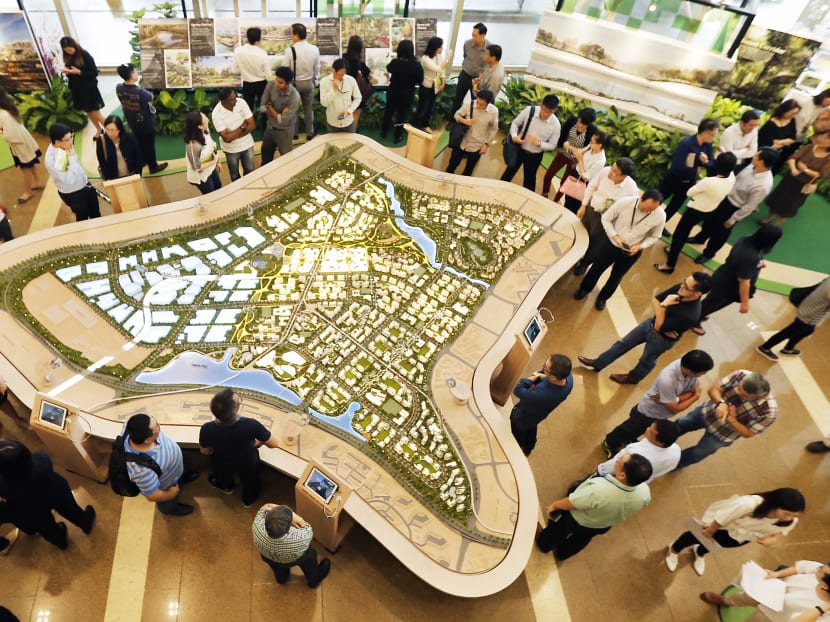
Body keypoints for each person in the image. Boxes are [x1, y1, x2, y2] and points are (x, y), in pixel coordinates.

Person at [578, 272, 711, 384]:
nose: (681, 287)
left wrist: (664, 305)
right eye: (684, 282)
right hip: (650, 324)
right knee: (623, 343)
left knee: (646, 360)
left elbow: (659, 325)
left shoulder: (690, 315)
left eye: (687, 287)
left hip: (661, 340)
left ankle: (632, 378)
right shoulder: (680, 289)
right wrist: (661, 311)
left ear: (698, 293)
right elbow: (655, 300)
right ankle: (599, 363)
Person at [535, 453, 652, 561]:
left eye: (620, 461)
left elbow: (573, 503)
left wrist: (555, 505)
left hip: (574, 519)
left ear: (622, 475)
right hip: (601, 525)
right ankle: (562, 554)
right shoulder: (645, 492)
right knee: (580, 540)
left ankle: (544, 544)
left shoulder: (599, 490)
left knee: (556, 532)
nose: (618, 459)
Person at [665, 488, 804, 576]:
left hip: (743, 537)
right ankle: (674, 549)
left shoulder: (790, 519)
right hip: (725, 527)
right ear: (775, 504)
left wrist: (773, 539)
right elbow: (724, 516)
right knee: (694, 537)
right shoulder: (748, 504)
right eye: (787, 513)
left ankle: (699, 552)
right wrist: (710, 530)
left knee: (718, 545)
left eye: (794, 515)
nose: (790, 518)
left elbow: (782, 531)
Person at [601, 350, 714, 457]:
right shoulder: (668, 380)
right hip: (647, 413)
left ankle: (629, 439)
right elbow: (675, 408)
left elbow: (692, 390)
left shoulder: (687, 369)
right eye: (702, 372)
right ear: (690, 370)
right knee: (627, 429)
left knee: (642, 431)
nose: (703, 374)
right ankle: (609, 443)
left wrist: (675, 398)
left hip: (660, 414)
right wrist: (695, 397)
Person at [573, 189, 666, 311]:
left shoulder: (660, 216)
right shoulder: (625, 203)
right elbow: (606, 218)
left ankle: (603, 298)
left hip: (632, 251)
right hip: (611, 244)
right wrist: (614, 236)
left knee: (617, 276)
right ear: (641, 198)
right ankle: (584, 289)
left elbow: (655, 236)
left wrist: (641, 246)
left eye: (652, 210)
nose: (648, 211)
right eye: (647, 207)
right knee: (597, 268)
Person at [0, 440, 95, 552]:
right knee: (71, 509)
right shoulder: (42, 462)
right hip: (54, 488)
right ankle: (85, 523)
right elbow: (45, 456)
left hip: (28, 505)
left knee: (46, 527)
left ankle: (61, 541)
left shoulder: (3, 487)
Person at [690, 148, 778, 264]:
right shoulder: (752, 167)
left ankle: (708, 253)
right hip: (725, 198)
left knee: (720, 233)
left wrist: (733, 219)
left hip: (734, 208)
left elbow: (749, 206)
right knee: (709, 220)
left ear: (762, 161)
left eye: (757, 155)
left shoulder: (763, 185)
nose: (754, 156)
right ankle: (700, 238)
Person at [674, 370, 777, 467]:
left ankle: (675, 464)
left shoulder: (768, 412)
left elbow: (748, 433)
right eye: (739, 388)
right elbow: (713, 389)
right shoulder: (740, 375)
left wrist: (732, 420)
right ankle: (663, 441)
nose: (739, 392)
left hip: (723, 434)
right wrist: (720, 403)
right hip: (707, 412)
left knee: (698, 452)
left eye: (744, 395)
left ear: (757, 397)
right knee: (682, 424)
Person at [693, 224, 783, 335]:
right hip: (729, 286)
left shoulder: (746, 239)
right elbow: (744, 281)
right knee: (713, 303)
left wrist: (759, 263)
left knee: (712, 301)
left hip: (723, 275)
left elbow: (741, 260)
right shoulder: (751, 257)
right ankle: (694, 320)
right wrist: (745, 304)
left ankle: (700, 314)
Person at [654, 152, 736, 274]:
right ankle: (672, 250)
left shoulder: (709, 182)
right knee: (684, 233)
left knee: (679, 236)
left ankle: (669, 265)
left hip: (695, 210)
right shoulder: (732, 177)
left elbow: (690, 192)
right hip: (710, 209)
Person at [199, 388, 279, 507]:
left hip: (221, 461)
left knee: (222, 476)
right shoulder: (251, 425)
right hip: (247, 461)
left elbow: (204, 451)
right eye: (239, 401)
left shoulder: (206, 429)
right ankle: (248, 500)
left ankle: (226, 487)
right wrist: (258, 443)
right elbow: (274, 444)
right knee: (250, 481)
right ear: (235, 412)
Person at [700, 560, 830, 622]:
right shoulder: (818, 569)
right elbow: (800, 568)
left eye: (821, 570)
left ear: (825, 586)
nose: (819, 568)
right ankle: (725, 601)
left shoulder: (825, 612)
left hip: (772, 616)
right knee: (745, 597)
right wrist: (777, 574)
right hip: (771, 590)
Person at [572, 158, 639, 275]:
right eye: (612, 167)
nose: (610, 171)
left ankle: (584, 263)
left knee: (595, 243)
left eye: (614, 171)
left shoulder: (631, 189)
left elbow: (630, 210)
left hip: (606, 220)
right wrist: (584, 205)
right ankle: (572, 256)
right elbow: (591, 187)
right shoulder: (604, 171)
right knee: (579, 233)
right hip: (591, 210)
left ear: (623, 176)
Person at [123, 413, 199, 515]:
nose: (159, 428)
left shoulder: (134, 427)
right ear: (148, 440)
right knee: (167, 505)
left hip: (173, 472)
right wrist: (171, 493)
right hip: (166, 486)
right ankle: (172, 510)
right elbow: (152, 496)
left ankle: (181, 478)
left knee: (179, 479)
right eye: (157, 428)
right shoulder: (141, 471)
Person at [252, 503, 331, 587]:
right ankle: (313, 581)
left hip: (268, 556)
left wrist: (282, 515)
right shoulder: (301, 537)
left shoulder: (257, 523)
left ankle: (281, 578)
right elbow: (307, 528)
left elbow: (267, 506)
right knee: (311, 555)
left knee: (277, 568)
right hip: (294, 559)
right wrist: (297, 518)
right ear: (288, 530)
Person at [761, 130, 830, 226]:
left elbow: (821, 174)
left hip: (803, 185)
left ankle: (777, 224)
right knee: (779, 197)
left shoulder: (828, 158)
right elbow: (793, 158)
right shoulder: (809, 147)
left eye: (825, 138)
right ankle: (769, 217)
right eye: (822, 136)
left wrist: (805, 169)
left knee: (791, 205)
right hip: (791, 178)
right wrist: (793, 169)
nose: (821, 138)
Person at [509, 354, 574, 456]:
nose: (543, 369)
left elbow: (518, 389)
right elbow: (544, 375)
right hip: (538, 415)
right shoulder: (569, 379)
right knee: (531, 427)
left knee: (518, 434)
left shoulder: (541, 394)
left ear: (553, 377)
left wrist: (534, 376)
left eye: (545, 368)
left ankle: (518, 449)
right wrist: (544, 375)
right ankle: (528, 448)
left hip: (521, 416)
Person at [659, 118, 719, 226]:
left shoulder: (708, 145)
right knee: (658, 199)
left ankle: (660, 225)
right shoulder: (687, 143)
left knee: (675, 206)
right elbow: (678, 166)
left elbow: (711, 165)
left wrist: (705, 162)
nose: (713, 138)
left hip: (688, 181)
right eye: (712, 135)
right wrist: (695, 170)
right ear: (705, 132)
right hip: (674, 178)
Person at [499, 94, 561, 192]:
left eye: (549, 112)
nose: (545, 114)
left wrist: (539, 143)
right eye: (544, 110)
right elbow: (515, 123)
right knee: (508, 173)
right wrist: (514, 136)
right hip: (519, 149)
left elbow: (553, 145)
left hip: (534, 156)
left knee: (529, 180)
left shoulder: (556, 125)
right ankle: (498, 190)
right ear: (541, 105)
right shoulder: (530, 110)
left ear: (554, 110)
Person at [758, 276, 830, 360]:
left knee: (808, 331)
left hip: (808, 308)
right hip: (809, 314)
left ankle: (788, 348)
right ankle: (765, 347)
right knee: (789, 332)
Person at [115, 63, 168, 175]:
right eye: (135, 71)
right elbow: (151, 97)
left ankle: (142, 161)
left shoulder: (119, 88)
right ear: (131, 74)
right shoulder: (140, 92)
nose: (137, 73)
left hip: (132, 122)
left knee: (139, 142)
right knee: (149, 144)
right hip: (145, 124)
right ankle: (153, 166)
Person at [44, 122, 101, 221]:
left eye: (72, 136)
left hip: (84, 184)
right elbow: (69, 180)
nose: (72, 141)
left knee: (95, 212)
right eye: (68, 139)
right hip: (74, 193)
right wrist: (72, 158)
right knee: (83, 218)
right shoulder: (57, 158)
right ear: (57, 142)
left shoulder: (63, 145)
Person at [596, 420, 681, 482]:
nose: (647, 429)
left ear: (660, 443)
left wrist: (601, 470)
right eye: (649, 427)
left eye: (651, 432)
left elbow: (613, 465)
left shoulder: (635, 452)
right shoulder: (677, 451)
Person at [542, 107, 598, 198]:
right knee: (548, 175)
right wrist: (560, 147)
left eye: (583, 124)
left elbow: (588, 148)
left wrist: (576, 154)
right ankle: (545, 193)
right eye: (579, 121)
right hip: (563, 153)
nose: (580, 125)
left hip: (575, 161)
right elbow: (563, 133)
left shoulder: (593, 130)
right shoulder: (572, 121)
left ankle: (555, 201)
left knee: (564, 183)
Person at [0, 86, 42, 203]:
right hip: (23, 141)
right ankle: (38, 181)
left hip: (20, 144)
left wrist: (2, 131)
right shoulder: (8, 107)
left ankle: (28, 192)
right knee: (30, 163)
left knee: (26, 168)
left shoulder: (3, 114)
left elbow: (9, 135)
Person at [445, 89, 498, 177]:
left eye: (481, 104)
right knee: (452, 165)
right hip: (462, 141)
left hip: (477, 145)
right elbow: (456, 115)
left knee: (469, 170)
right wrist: (464, 121)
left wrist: (486, 144)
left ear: (488, 103)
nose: (478, 105)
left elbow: (494, 129)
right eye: (477, 102)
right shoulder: (469, 105)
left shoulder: (494, 111)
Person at [59, 36, 105, 136]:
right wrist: (68, 72)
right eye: (66, 51)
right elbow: (72, 73)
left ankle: (111, 130)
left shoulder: (84, 54)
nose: (69, 52)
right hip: (78, 90)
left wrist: (79, 72)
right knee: (88, 112)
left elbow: (94, 73)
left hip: (89, 88)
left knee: (95, 113)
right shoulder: (68, 57)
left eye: (70, 49)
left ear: (74, 46)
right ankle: (98, 129)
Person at [381, 40, 423, 143]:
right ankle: (397, 136)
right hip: (407, 94)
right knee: (401, 115)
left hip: (393, 92)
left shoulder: (395, 62)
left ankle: (383, 132)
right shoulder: (417, 65)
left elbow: (388, 68)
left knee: (388, 112)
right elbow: (420, 80)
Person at [557, 131, 609, 213]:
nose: (590, 142)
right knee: (567, 199)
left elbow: (587, 177)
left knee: (573, 206)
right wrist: (570, 147)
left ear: (599, 145)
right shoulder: (590, 147)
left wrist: (580, 160)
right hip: (575, 174)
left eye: (592, 142)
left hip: (582, 182)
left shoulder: (600, 160)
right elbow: (580, 151)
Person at [283, 23, 320, 140]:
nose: (291, 36)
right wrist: (315, 81)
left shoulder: (290, 50)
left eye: (292, 33)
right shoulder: (314, 49)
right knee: (308, 109)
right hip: (309, 83)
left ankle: (295, 134)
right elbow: (317, 68)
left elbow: (285, 69)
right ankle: (310, 133)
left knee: (294, 109)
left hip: (294, 84)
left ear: (296, 35)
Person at [211, 88, 255, 181]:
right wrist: (243, 127)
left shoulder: (241, 102)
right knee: (234, 175)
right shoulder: (216, 114)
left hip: (247, 145)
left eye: (236, 97)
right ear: (224, 101)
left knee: (250, 170)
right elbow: (226, 138)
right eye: (232, 99)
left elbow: (252, 125)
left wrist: (232, 135)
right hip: (231, 150)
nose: (236, 100)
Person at [260, 66, 300, 164]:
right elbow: (262, 107)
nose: (276, 84)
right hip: (270, 128)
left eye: (280, 82)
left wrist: (270, 107)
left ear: (288, 83)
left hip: (284, 132)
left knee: (286, 160)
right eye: (276, 80)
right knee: (265, 156)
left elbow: (282, 121)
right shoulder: (270, 85)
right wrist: (277, 114)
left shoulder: (294, 97)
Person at [450, 23, 489, 116]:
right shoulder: (467, 44)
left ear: (483, 35)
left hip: (477, 80)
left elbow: (488, 66)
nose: (473, 38)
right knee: (457, 99)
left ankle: (470, 121)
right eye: (472, 35)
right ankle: (453, 119)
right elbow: (465, 56)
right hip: (465, 75)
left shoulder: (489, 49)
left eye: (475, 35)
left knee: (475, 102)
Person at [413, 36, 447, 131]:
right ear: (435, 47)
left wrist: (443, 81)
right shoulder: (425, 58)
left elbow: (442, 70)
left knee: (430, 107)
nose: (442, 49)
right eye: (440, 46)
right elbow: (438, 68)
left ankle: (425, 124)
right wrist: (448, 59)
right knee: (423, 107)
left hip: (435, 86)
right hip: (426, 86)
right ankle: (416, 125)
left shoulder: (439, 56)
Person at [233, 27, 270, 115]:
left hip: (247, 84)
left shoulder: (238, 51)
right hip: (261, 84)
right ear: (259, 39)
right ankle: (264, 127)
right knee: (263, 107)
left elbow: (234, 70)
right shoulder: (262, 53)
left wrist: (244, 70)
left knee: (248, 110)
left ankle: (249, 127)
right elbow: (268, 73)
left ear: (247, 37)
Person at [184, 111, 222, 195]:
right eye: (205, 118)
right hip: (200, 176)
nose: (207, 119)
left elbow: (212, 145)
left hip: (210, 168)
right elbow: (197, 167)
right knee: (210, 195)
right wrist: (214, 161)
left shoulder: (206, 131)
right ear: (200, 126)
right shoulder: (193, 145)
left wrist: (218, 162)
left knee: (219, 187)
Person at [94, 115, 143, 181]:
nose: (109, 133)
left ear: (119, 129)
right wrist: (108, 177)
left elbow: (138, 156)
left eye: (112, 130)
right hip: (114, 178)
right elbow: (102, 162)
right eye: (107, 129)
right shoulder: (101, 141)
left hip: (132, 175)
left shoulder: (130, 138)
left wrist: (138, 173)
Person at [319, 58, 362, 133]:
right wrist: (334, 89)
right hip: (332, 122)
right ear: (333, 69)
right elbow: (324, 103)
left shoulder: (351, 80)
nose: (339, 77)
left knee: (350, 143)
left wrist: (349, 111)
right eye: (337, 74)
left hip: (348, 121)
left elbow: (358, 98)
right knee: (333, 144)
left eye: (342, 75)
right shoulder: (324, 82)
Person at [758, 99, 801, 172]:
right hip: (763, 154)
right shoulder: (771, 124)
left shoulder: (792, 121)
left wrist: (780, 142)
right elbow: (767, 142)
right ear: (785, 110)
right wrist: (784, 142)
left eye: (796, 113)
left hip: (777, 154)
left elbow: (792, 139)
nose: (793, 116)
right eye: (792, 113)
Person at [342, 35, 371, 131]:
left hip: (345, 89)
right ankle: (352, 132)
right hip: (356, 90)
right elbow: (367, 72)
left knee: (346, 111)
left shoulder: (344, 58)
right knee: (356, 112)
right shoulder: (359, 61)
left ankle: (344, 129)